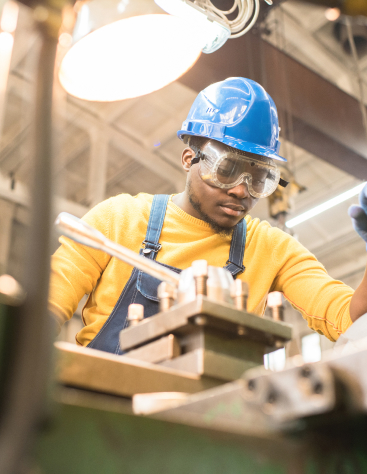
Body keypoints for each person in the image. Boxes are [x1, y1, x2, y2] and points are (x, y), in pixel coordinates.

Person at [49, 77, 367, 354]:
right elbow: (45, 309)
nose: (242, 191)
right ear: (190, 158)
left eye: (258, 179)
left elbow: (348, 320)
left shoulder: (272, 249)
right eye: (227, 170)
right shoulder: (118, 220)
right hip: (104, 407)